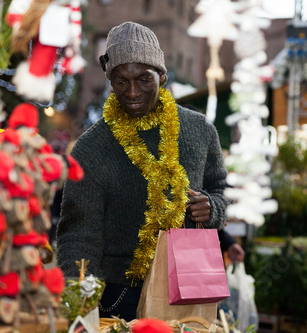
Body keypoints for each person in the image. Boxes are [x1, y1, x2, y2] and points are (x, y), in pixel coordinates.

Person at [56, 21, 229, 321]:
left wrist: (212, 208)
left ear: (161, 76)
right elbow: (78, 235)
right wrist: (79, 306)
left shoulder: (199, 130)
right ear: (110, 81)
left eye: (143, 79)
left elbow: (221, 193)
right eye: (121, 81)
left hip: (189, 289)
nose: (132, 91)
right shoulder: (91, 148)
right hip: (117, 297)